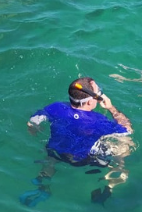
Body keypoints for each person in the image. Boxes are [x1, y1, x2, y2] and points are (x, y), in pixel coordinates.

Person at [24, 77, 134, 205]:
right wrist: (111, 108)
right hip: (86, 159)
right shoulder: (99, 121)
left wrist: (34, 130)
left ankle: (42, 184)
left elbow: (32, 122)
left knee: (52, 155)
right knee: (124, 145)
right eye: (98, 94)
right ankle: (110, 184)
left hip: (57, 153)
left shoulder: (56, 107)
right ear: (89, 102)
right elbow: (127, 130)